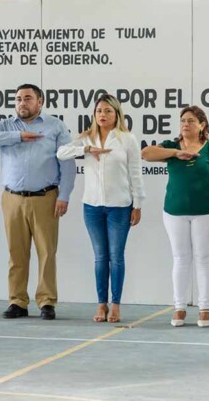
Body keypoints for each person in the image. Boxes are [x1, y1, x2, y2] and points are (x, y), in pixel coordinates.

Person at [0, 83, 75, 320]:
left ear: (40, 102)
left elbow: (68, 163)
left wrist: (64, 196)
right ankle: (17, 301)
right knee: (16, 253)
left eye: (28, 98)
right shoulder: (7, 125)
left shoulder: (55, 126)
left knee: (46, 252)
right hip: (12, 198)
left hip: (45, 197)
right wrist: (18, 136)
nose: (23, 103)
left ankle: (46, 301)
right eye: (19, 98)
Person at [57, 93, 145, 323]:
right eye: (99, 111)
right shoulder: (87, 138)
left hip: (120, 206)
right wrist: (86, 150)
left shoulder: (127, 139)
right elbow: (60, 152)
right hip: (92, 206)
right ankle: (101, 305)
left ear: (117, 114)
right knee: (99, 257)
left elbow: (136, 173)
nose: (103, 115)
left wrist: (138, 204)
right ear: (93, 115)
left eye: (107, 111)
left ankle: (116, 305)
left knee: (116, 257)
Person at [142, 106, 209, 328]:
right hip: (174, 212)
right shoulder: (171, 146)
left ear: (202, 125)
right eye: (182, 120)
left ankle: (204, 308)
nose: (186, 124)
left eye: (191, 120)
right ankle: (179, 307)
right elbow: (146, 154)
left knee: (203, 258)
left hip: (206, 213)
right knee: (180, 258)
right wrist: (175, 153)